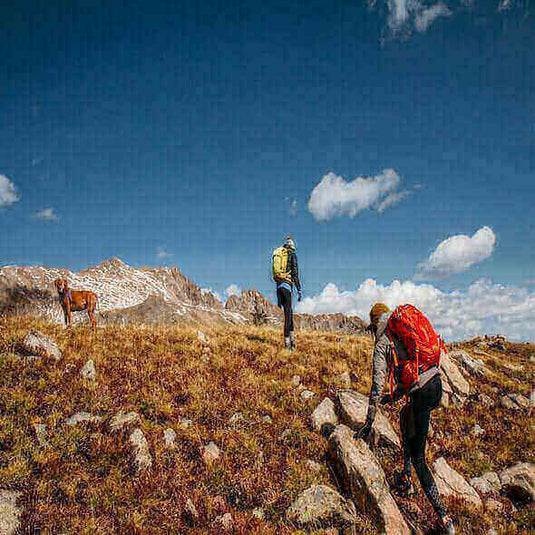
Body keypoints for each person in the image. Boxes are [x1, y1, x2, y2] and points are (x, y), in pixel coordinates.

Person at [356, 303, 455, 535]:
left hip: (421, 392)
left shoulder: (382, 342)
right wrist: (395, 396)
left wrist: (369, 422)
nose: (372, 332)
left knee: (420, 457)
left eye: (372, 327)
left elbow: (377, 384)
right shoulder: (402, 330)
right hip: (435, 386)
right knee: (404, 417)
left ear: (375, 322)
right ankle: (406, 478)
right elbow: (411, 371)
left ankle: (444, 518)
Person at [272, 236, 302, 350]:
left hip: (279, 287)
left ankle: (292, 342)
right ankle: (288, 345)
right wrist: (299, 289)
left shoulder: (280, 253)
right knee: (288, 316)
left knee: (289, 313)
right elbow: (295, 274)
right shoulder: (292, 254)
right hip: (287, 287)